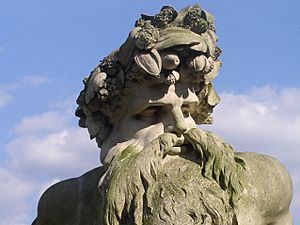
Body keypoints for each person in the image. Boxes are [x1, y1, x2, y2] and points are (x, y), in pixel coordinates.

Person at [32, 5, 293, 225]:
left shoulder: (265, 185)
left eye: (188, 110)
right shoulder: (68, 207)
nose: (180, 127)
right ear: (108, 125)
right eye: (153, 113)